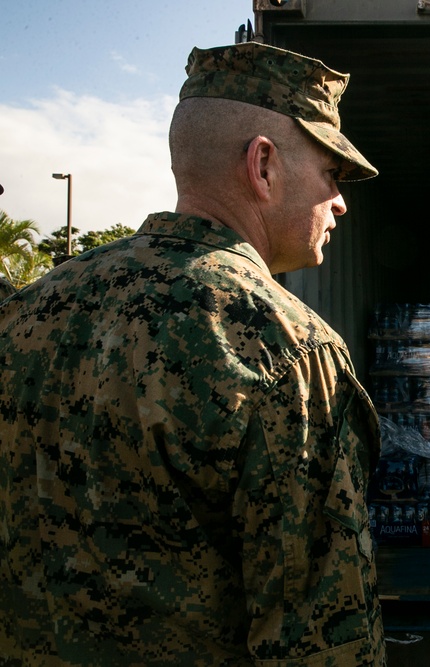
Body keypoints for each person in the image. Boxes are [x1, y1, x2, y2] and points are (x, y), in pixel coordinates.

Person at [0, 42, 385, 665]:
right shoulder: (286, 352)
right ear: (264, 166)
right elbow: (322, 641)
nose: (339, 201)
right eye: (331, 174)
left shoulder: (26, 313)